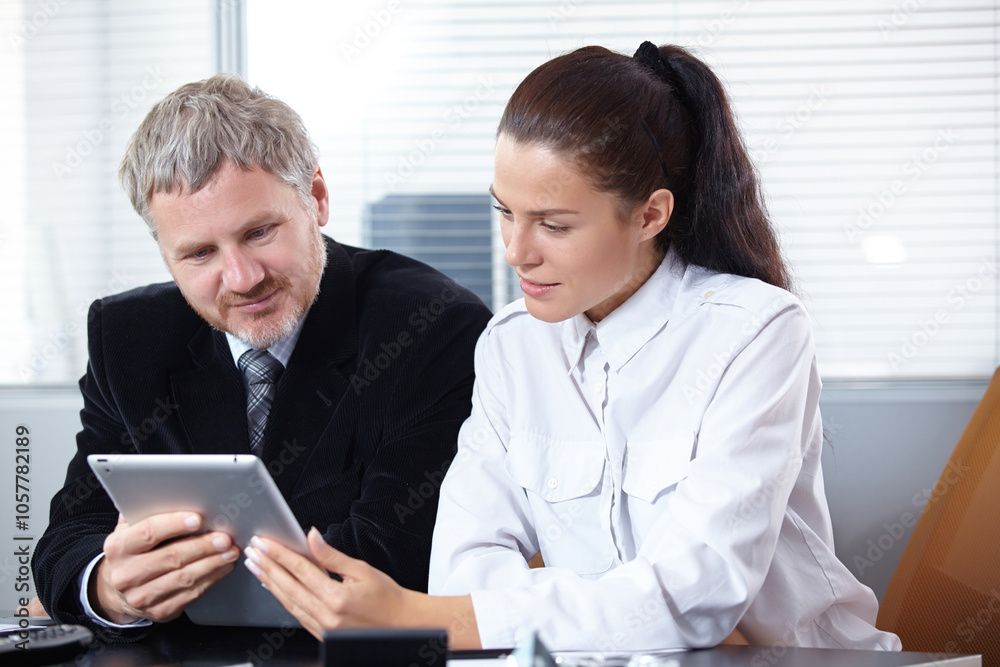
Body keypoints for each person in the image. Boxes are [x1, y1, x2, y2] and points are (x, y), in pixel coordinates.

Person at [241, 43, 903, 652]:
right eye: (504, 211)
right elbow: (464, 565)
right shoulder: (512, 346)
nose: (516, 251)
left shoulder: (756, 330)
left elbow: (695, 592)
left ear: (651, 214)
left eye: (553, 224)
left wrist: (423, 615)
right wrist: (578, 615)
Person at [32, 74, 492, 642]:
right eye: (200, 253)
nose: (243, 279)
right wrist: (111, 587)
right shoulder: (127, 336)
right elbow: (70, 537)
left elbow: (390, 559)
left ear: (316, 199)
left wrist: (189, 575)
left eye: (258, 232)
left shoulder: (431, 326)